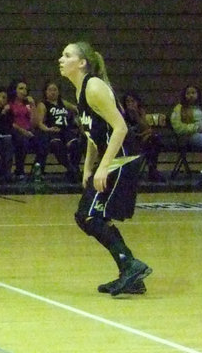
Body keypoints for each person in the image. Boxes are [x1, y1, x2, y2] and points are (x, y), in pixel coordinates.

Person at [58, 41, 151, 297]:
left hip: (123, 160)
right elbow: (93, 135)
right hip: (113, 160)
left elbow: (120, 128)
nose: (61, 59)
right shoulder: (80, 91)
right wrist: (88, 168)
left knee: (88, 215)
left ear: (82, 62)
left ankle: (130, 266)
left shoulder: (94, 87)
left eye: (67, 55)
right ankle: (130, 274)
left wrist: (104, 167)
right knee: (91, 216)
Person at [34, 79, 82, 181]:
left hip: (66, 130)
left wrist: (77, 119)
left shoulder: (62, 102)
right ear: (45, 92)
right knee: (57, 145)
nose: (53, 92)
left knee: (76, 144)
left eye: (55, 90)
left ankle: (74, 169)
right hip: (53, 131)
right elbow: (40, 123)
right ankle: (71, 169)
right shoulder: (43, 104)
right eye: (50, 90)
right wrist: (48, 129)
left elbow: (77, 109)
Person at [121, 92, 164, 183]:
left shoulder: (141, 112)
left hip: (141, 141)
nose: (130, 104)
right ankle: (152, 169)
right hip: (127, 141)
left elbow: (147, 128)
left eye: (133, 101)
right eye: (127, 101)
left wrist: (137, 116)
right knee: (151, 141)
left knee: (154, 139)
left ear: (137, 102)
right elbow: (126, 132)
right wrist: (142, 134)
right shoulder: (123, 114)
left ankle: (152, 169)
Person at [7, 78, 40, 179]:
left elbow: (34, 123)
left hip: (28, 131)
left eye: (25, 89)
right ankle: (19, 170)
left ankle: (37, 170)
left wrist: (33, 105)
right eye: (21, 88)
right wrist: (23, 131)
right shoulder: (9, 104)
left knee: (43, 143)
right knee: (22, 141)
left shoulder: (27, 105)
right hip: (15, 131)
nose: (24, 91)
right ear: (14, 90)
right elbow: (9, 122)